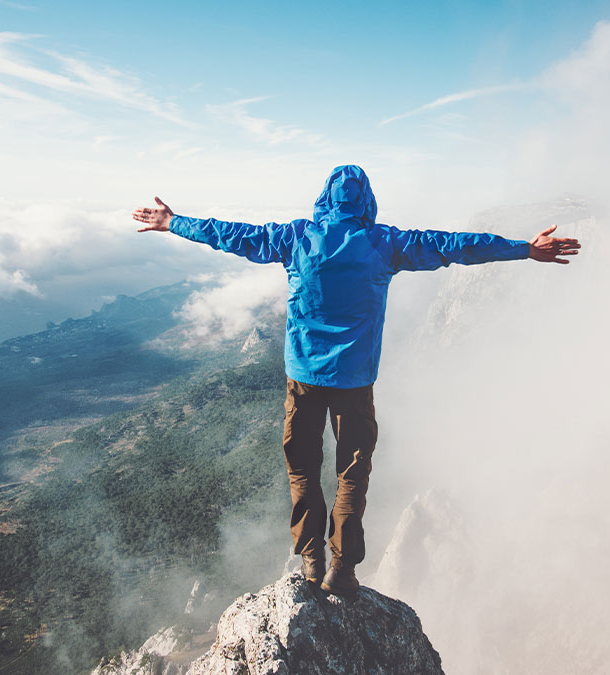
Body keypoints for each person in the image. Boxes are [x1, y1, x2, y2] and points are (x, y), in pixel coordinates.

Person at [133, 165, 580, 595]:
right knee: (352, 474)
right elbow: (455, 245)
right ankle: (343, 570)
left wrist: (174, 222)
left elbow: (229, 234)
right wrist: (524, 248)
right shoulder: (384, 243)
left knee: (304, 468)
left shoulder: (296, 238)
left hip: (304, 378)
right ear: (368, 201)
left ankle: (311, 562)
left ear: (324, 197)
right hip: (355, 383)